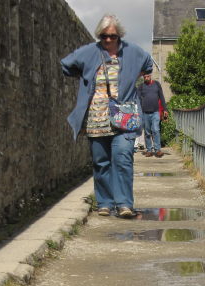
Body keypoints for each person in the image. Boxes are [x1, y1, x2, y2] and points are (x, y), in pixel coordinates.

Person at [61, 15, 153, 218]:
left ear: (119, 35)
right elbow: (66, 64)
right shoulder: (90, 52)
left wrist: (134, 78)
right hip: (96, 117)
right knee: (101, 162)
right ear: (99, 36)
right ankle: (104, 203)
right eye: (104, 36)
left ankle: (124, 204)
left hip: (124, 115)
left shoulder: (133, 51)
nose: (109, 40)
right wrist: (85, 75)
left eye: (113, 36)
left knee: (122, 158)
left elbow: (148, 64)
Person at [137, 73, 168, 158]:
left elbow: (161, 97)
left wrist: (165, 109)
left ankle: (157, 150)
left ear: (150, 75)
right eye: (144, 77)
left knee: (156, 130)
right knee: (147, 132)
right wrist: (138, 112)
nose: (146, 78)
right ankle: (149, 150)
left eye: (147, 76)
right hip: (145, 113)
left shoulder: (156, 84)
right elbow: (138, 100)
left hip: (155, 112)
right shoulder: (141, 87)